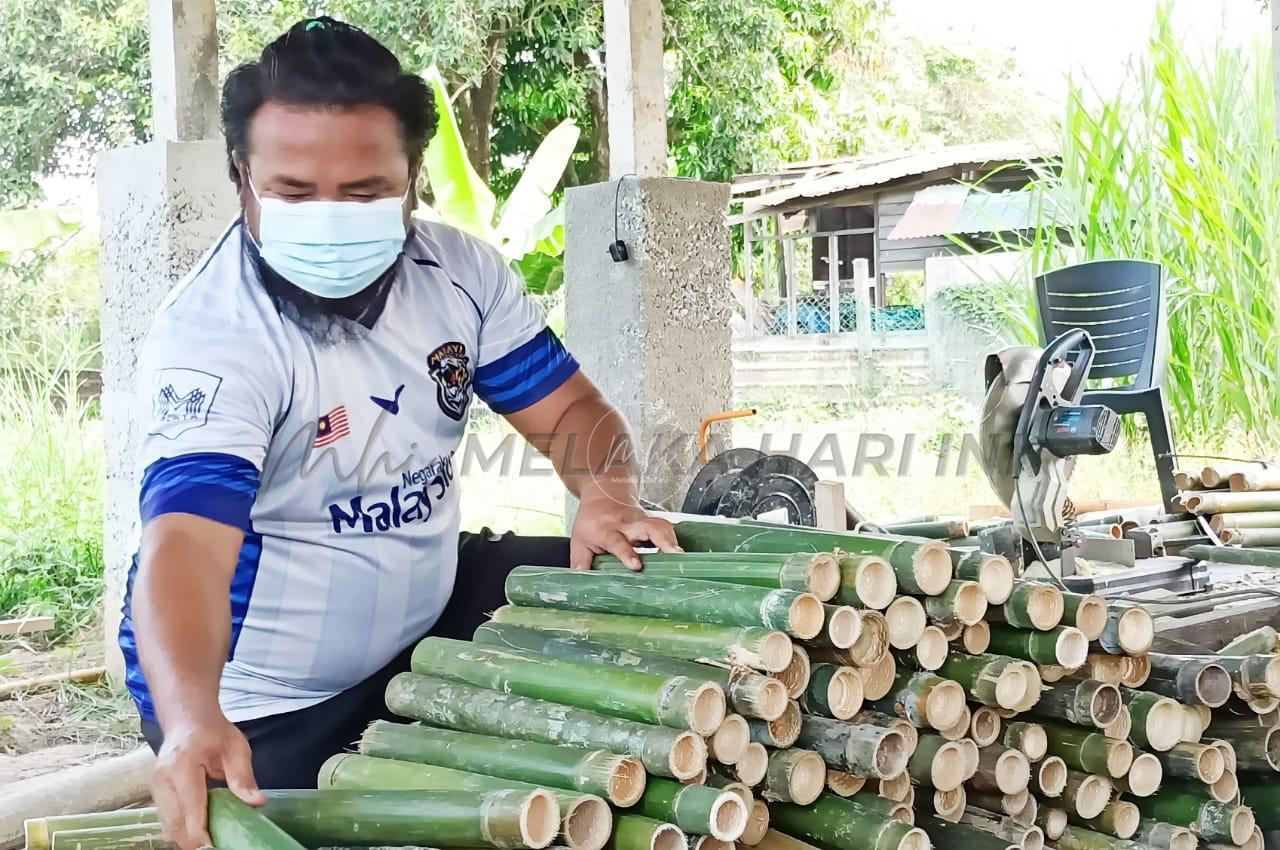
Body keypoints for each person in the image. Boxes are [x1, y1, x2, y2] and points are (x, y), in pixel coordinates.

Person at [120, 17, 679, 850]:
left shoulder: (460, 273)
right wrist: (194, 716)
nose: (329, 218)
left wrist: (606, 496)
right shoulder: (214, 338)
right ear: (243, 174)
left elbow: (568, 411)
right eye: (295, 192)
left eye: (364, 192)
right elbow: (187, 551)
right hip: (269, 697)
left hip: (431, 613)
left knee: (656, 574)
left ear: (414, 177)